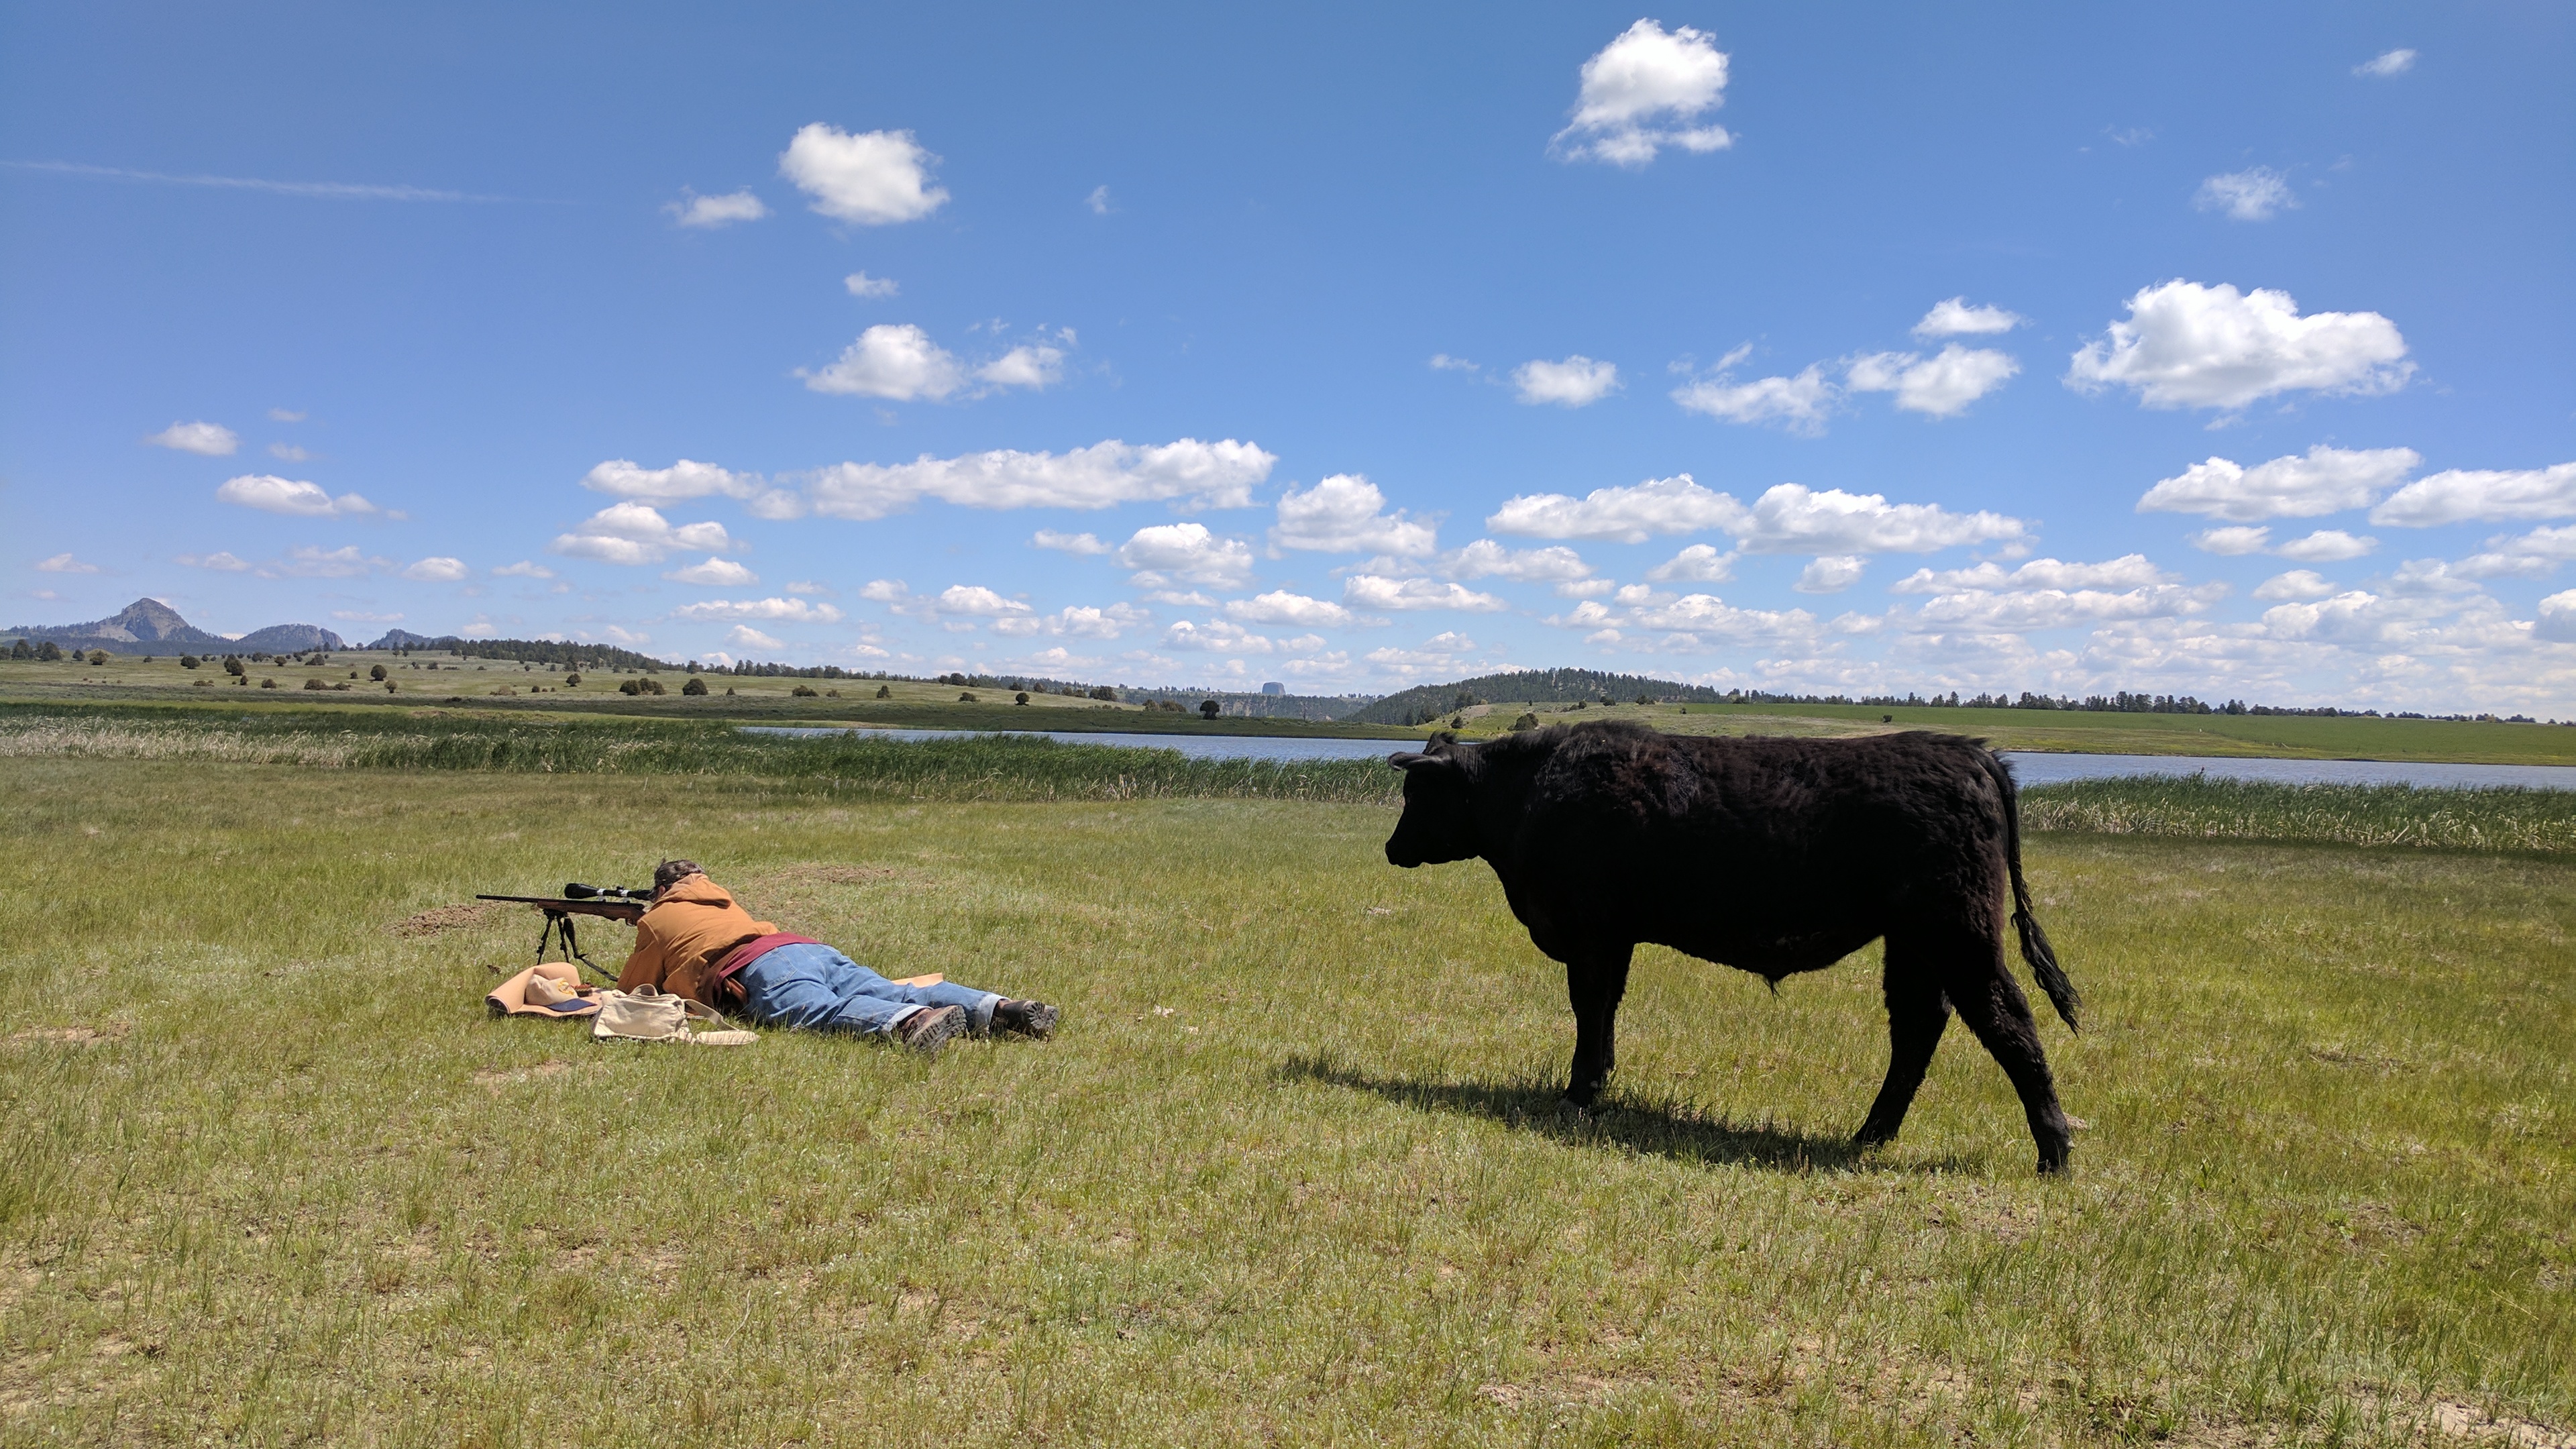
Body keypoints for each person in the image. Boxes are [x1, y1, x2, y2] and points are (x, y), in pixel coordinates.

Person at [616, 859, 1059, 1054]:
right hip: (807, 949)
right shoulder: (726, 902)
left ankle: (909, 1022)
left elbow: (634, 987)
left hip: (758, 967)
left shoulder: (659, 916)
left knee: (823, 1012)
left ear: (660, 891)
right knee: (893, 987)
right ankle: (999, 1008)